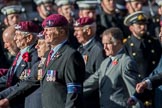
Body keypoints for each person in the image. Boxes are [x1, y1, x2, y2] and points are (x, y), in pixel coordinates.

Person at [84, 27, 141, 108]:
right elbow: (91, 82)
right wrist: (72, 91)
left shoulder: (126, 62)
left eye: (107, 44)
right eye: (103, 44)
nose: (104, 47)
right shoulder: (105, 63)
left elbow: (135, 92)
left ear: (117, 42)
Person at [41, 14, 85, 108]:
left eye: (48, 30)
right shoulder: (47, 54)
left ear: (61, 32)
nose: (44, 33)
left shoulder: (71, 55)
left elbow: (74, 92)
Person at [0, 32, 50, 108]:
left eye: (40, 43)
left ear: (28, 38)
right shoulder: (22, 56)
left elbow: (26, 83)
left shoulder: (34, 57)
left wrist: (7, 99)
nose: (37, 46)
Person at [124, 10, 162, 107]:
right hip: (138, 89)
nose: (143, 27)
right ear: (131, 28)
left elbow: (157, 69)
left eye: (144, 24)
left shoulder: (154, 42)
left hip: (154, 87)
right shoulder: (126, 45)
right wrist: (135, 95)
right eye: (139, 25)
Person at [73, 17, 106, 108]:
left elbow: (100, 77)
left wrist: (81, 90)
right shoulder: (80, 48)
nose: (74, 34)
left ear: (88, 31)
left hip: (92, 100)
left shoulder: (98, 50)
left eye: (77, 31)